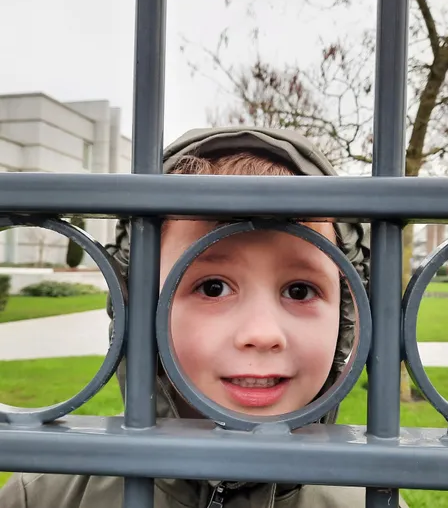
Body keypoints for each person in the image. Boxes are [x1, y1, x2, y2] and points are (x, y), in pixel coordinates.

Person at [0, 127, 407, 507]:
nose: (262, 334)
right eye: (212, 287)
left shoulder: (370, 500)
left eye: (299, 290)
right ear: (138, 309)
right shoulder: (45, 496)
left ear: (348, 315)